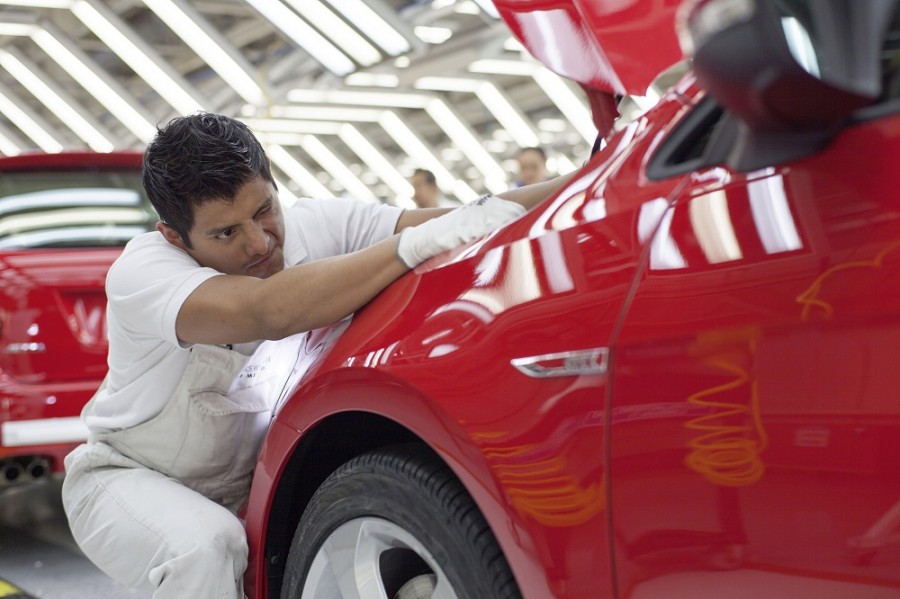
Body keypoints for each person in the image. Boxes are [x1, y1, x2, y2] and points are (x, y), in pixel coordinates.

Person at [60, 112, 573, 599]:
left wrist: (605, 168)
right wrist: (409, 248)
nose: (259, 242)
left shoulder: (315, 223)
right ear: (175, 236)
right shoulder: (143, 272)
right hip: (125, 479)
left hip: (241, 487)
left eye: (263, 210)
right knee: (205, 546)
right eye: (226, 233)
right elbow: (267, 310)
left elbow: (471, 216)